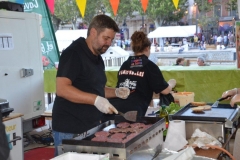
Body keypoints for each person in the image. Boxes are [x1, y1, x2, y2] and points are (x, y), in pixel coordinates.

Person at [52, 15, 130, 156]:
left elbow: (96, 89)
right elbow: (62, 89)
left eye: (111, 40)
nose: (108, 43)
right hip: (69, 130)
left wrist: (116, 92)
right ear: (93, 32)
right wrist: (95, 100)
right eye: (106, 38)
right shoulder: (74, 53)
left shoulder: (97, 58)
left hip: (90, 127)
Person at [103, 31, 176, 120]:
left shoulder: (125, 64)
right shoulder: (150, 66)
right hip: (133, 113)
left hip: (113, 109)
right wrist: (171, 84)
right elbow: (165, 91)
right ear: (147, 48)